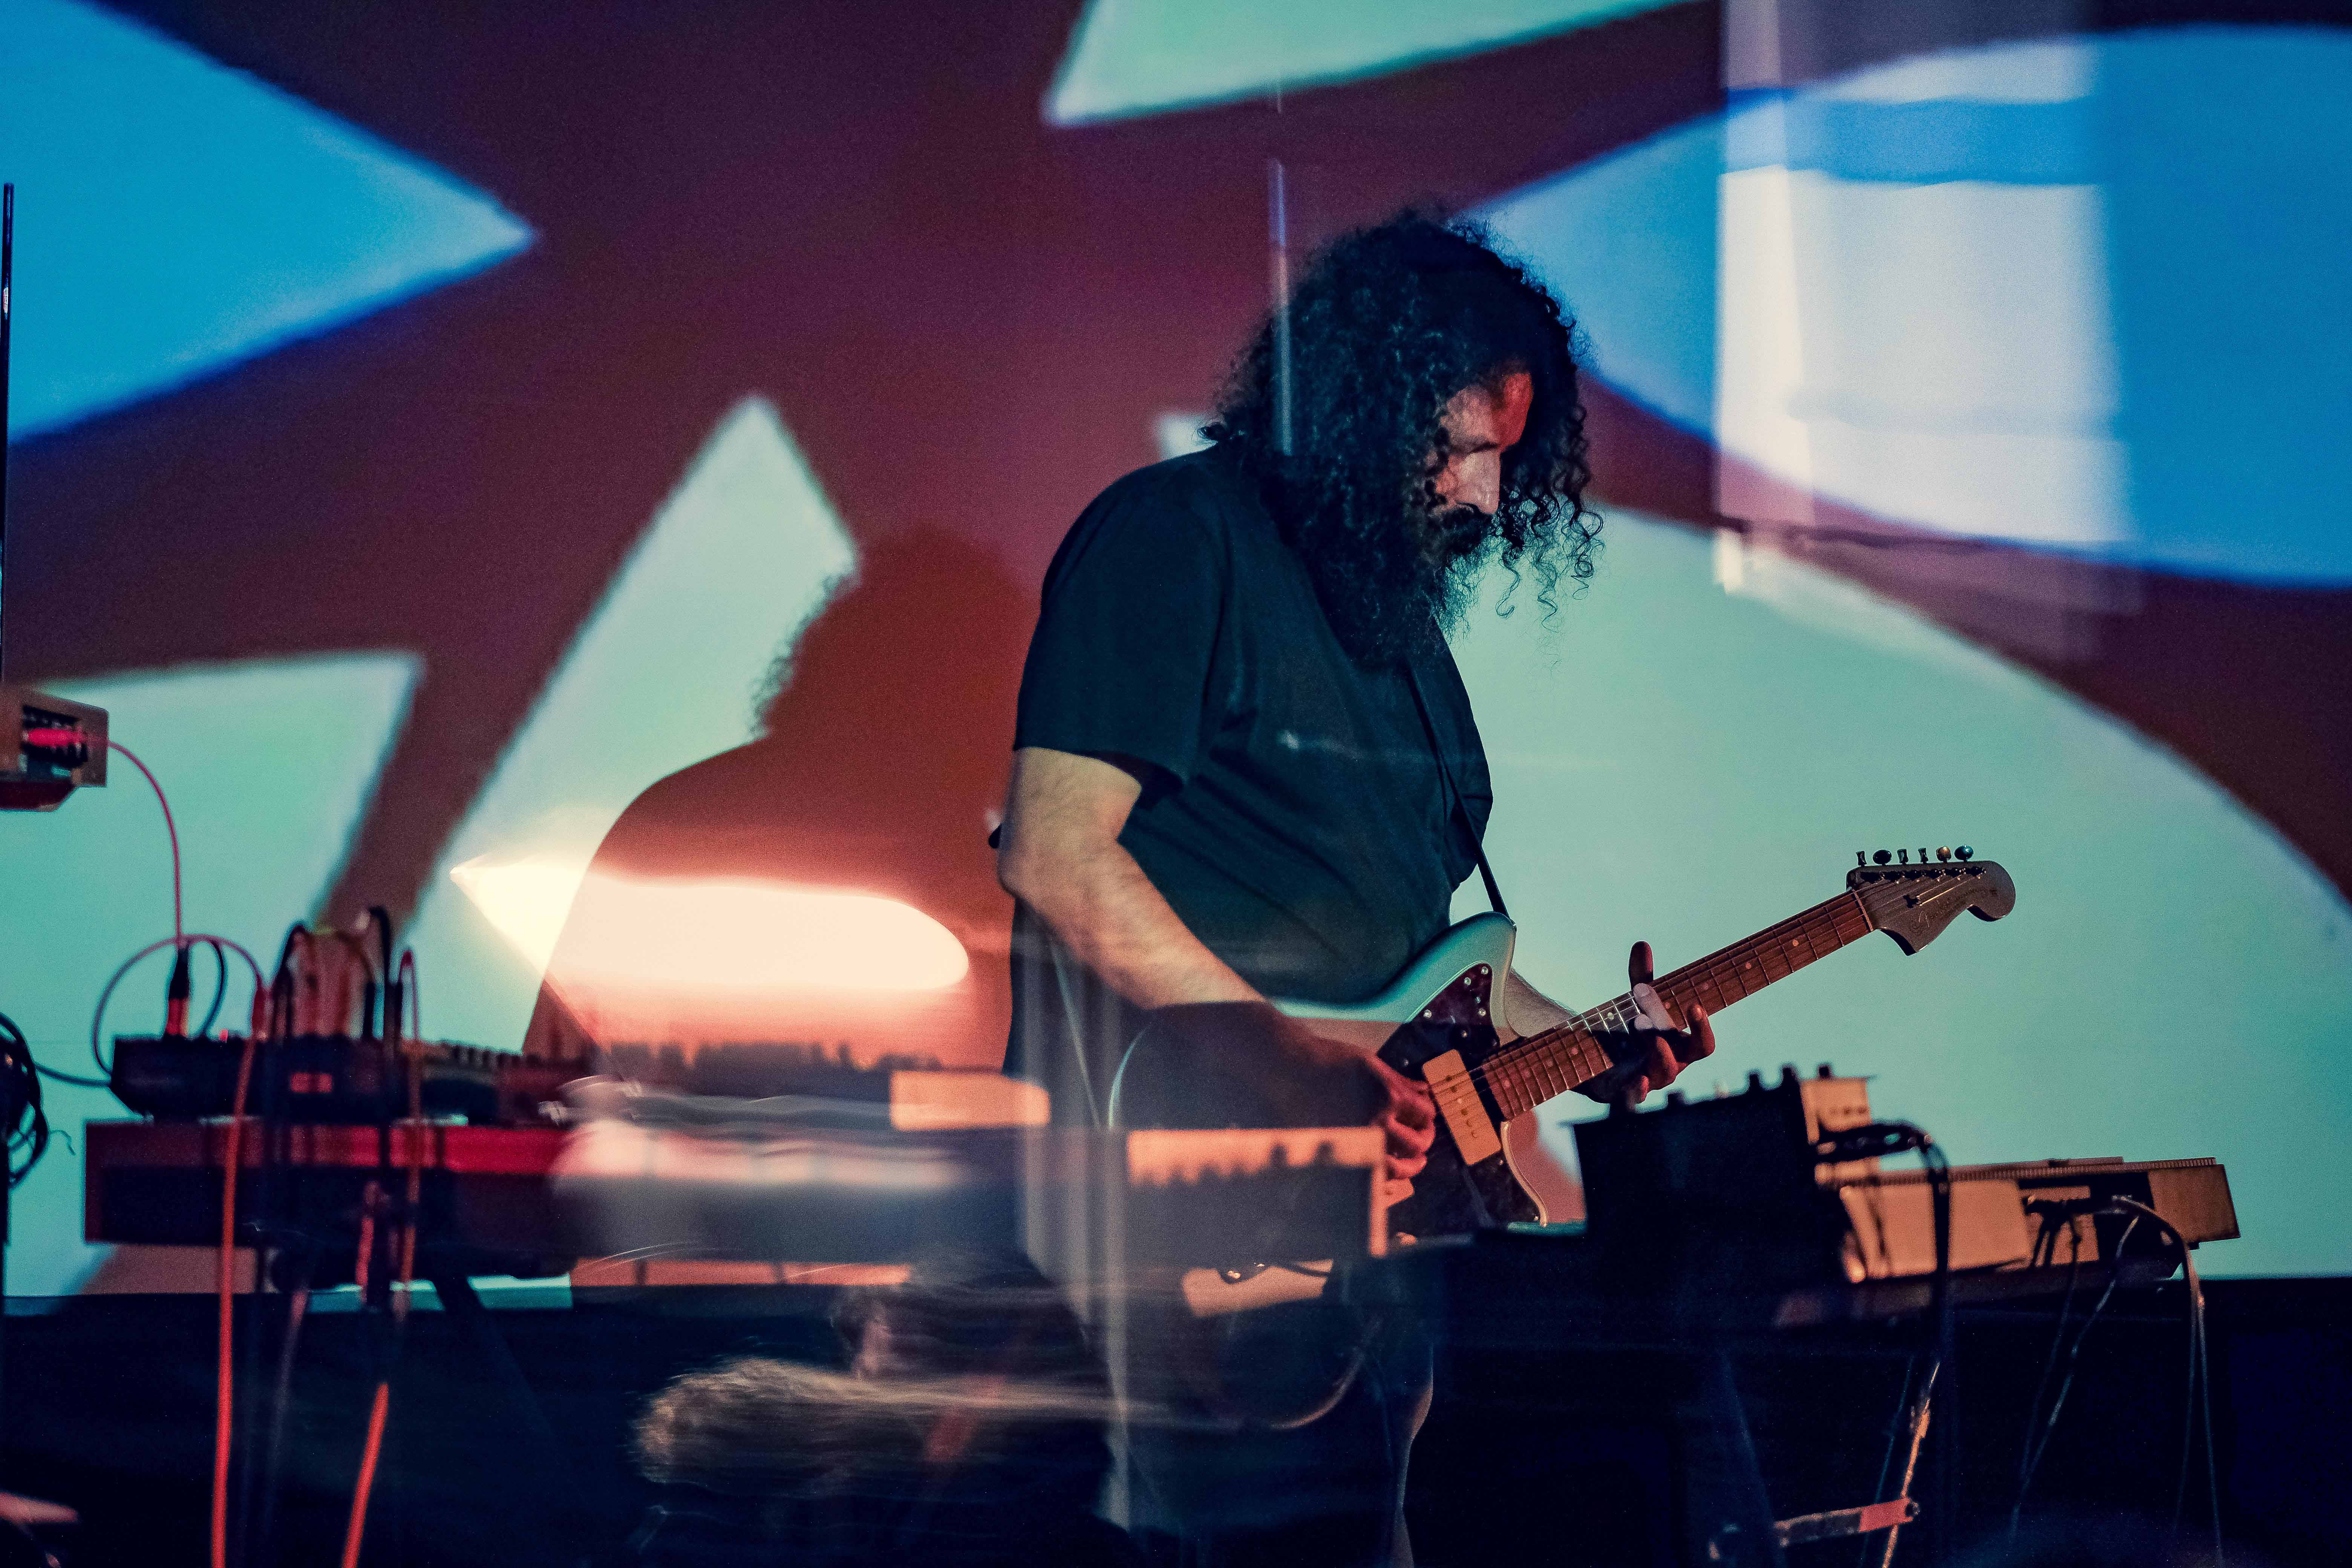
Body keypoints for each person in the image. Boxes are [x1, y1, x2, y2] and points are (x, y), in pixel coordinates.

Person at [994, 213, 1716, 1566]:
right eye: (1460, 448)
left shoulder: (1401, 640)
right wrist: (1281, 1060)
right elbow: (1055, 850)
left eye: (1507, 461)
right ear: (1358, 406)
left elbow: (1426, 971)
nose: (1485, 497)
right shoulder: (1175, 538)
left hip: (1371, 1247)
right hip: (1182, 1226)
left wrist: (1596, 1042)